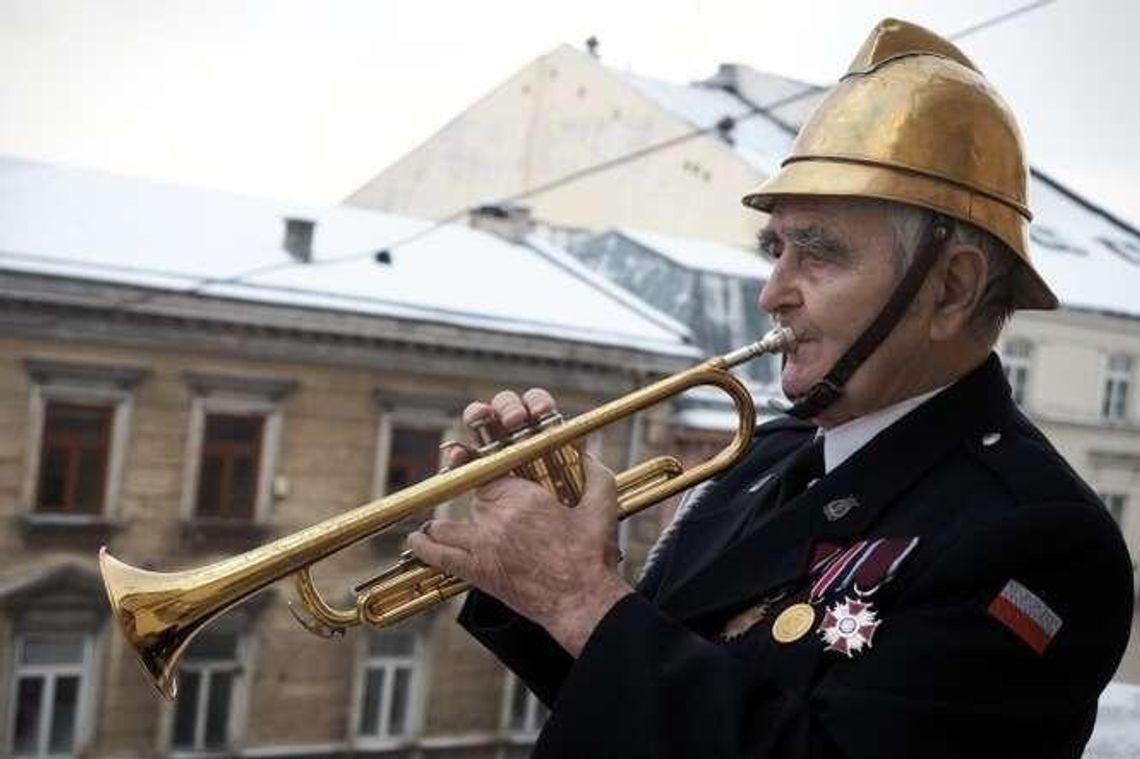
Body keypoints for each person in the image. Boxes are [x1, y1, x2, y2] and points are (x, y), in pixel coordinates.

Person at [406, 18, 1134, 758]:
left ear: (949, 289)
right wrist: (530, 577)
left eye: (817, 254)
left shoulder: (1037, 539)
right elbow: (639, 707)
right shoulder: (763, 456)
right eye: (776, 250)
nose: (773, 293)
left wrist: (579, 596)